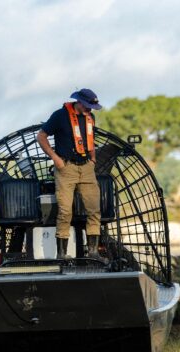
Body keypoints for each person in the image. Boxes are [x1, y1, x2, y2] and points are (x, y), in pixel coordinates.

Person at [36, 88, 104, 261]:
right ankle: (61, 254)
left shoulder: (90, 118)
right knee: (65, 211)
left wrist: (93, 160)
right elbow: (41, 136)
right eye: (88, 106)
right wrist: (55, 158)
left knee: (94, 210)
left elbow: (91, 141)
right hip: (66, 168)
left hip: (87, 168)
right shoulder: (60, 115)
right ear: (79, 102)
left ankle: (94, 253)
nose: (90, 109)